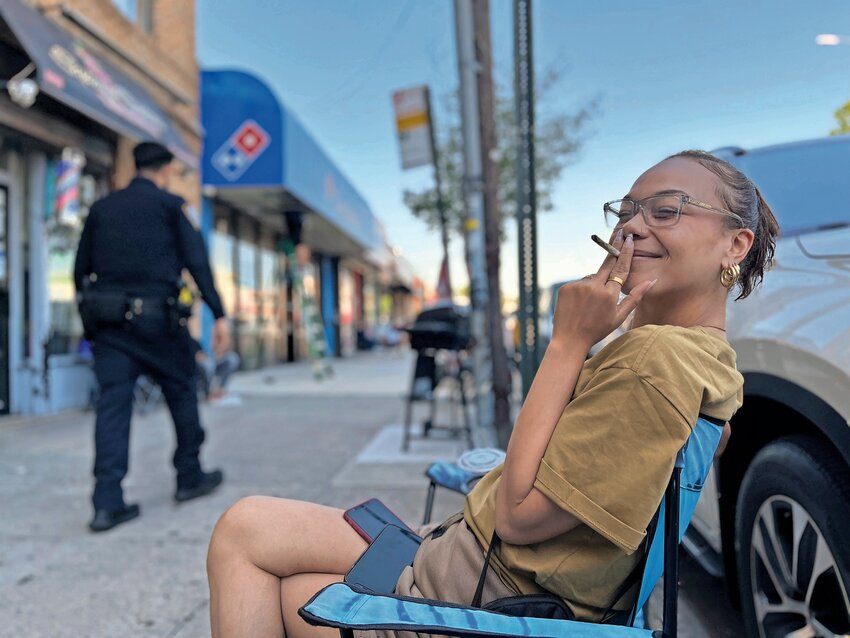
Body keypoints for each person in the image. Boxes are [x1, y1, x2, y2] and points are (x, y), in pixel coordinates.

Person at [205, 150, 779, 637]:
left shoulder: (656, 360)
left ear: (735, 245)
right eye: (625, 212)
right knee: (258, 535)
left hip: (491, 594)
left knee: (248, 536)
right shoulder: (706, 360)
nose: (631, 226)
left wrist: (567, 345)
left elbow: (519, 519)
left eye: (666, 210)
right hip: (477, 559)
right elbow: (710, 439)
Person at [74, 141, 231, 533]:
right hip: (160, 323)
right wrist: (219, 313)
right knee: (181, 393)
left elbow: (80, 270)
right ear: (165, 169)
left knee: (113, 408)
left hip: (111, 325)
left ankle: (106, 503)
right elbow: (197, 263)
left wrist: (91, 323)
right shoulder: (172, 206)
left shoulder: (101, 208)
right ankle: (189, 477)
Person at [191, 336, 241, 402]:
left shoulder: (215, 326)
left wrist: (219, 351)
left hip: (213, 356)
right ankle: (208, 393)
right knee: (209, 364)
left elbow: (224, 341)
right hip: (199, 358)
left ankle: (220, 389)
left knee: (233, 359)